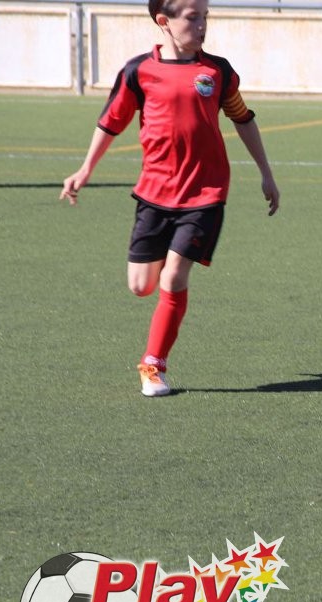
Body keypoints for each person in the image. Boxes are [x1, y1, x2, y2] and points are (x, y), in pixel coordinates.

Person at [60, 0, 280, 397]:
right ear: (164, 21)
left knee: (175, 275)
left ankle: (153, 365)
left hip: (206, 192)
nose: (202, 25)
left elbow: (242, 117)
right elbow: (111, 122)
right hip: (154, 193)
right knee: (141, 285)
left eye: (205, 17)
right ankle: (161, 289)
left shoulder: (218, 71)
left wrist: (266, 173)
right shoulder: (138, 72)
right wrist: (85, 170)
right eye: (193, 18)